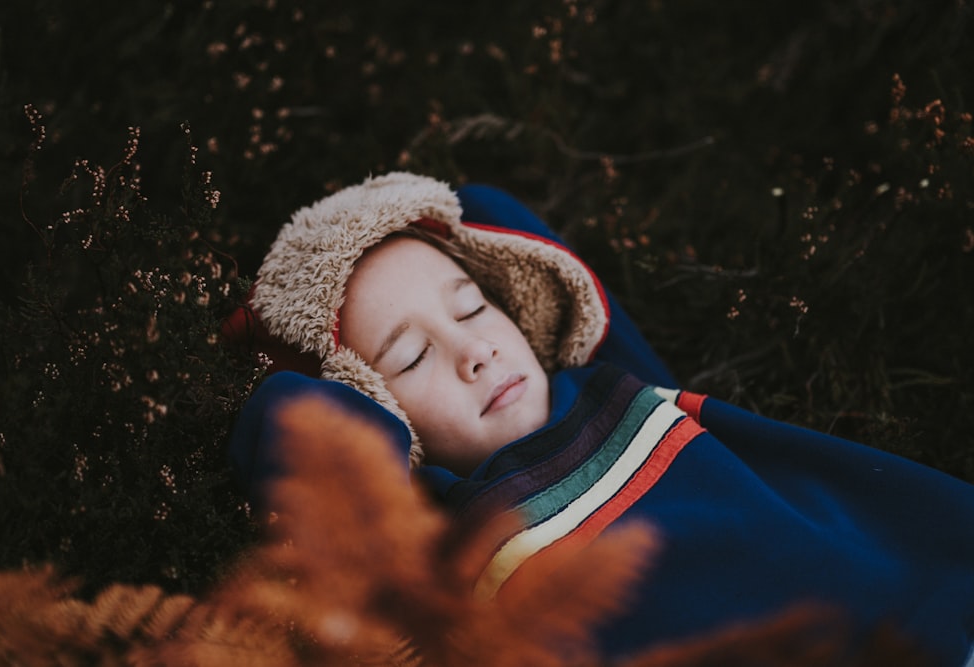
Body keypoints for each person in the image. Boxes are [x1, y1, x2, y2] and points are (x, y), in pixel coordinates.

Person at [227, 172, 974, 666]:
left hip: (913, 606)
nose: (475, 351)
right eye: (412, 358)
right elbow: (307, 438)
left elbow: (507, 223)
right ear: (370, 403)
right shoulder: (453, 531)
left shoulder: (614, 384)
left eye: (472, 306)